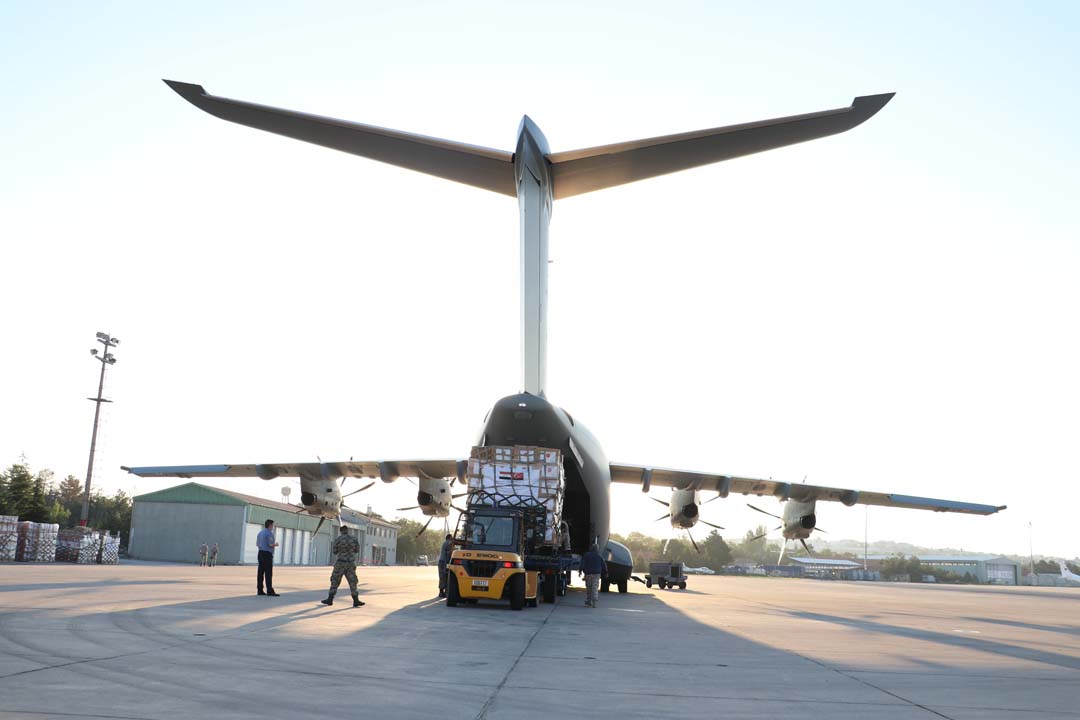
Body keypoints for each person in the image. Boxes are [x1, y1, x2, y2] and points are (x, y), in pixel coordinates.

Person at [321, 525, 364, 607]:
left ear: (341, 531)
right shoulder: (354, 539)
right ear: (347, 530)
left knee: (335, 581)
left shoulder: (338, 539)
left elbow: (334, 551)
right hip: (350, 563)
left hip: (340, 563)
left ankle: (330, 599)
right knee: (353, 582)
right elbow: (357, 550)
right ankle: (356, 600)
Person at [579, 543, 607, 608]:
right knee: (595, 587)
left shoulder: (586, 555)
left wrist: (580, 571)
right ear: (597, 549)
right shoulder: (599, 556)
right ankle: (594, 601)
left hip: (588, 574)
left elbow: (582, 563)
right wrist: (606, 572)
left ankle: (589, 601)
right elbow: (604, 565)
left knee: (589, 588)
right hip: (596, 574)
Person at [256, 520, 279, 596]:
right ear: (270, 525)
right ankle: (269, 590)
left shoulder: (260, 533)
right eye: (272, 525)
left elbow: (257, 544)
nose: (273, 527)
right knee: (268, 573)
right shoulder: (269, 534)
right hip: (267, 555)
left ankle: (260, 590)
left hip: (260, 553)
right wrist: (275, 544)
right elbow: (270, 544)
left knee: (260, 573)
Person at [438, 533, 454, 598]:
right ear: (449, 538)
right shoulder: (447, 543)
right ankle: (441, 592)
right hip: (443, 563)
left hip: (443, 562)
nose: (451, 540)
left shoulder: (445, 543)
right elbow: (450, 550)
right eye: (451, 538)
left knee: (444, 577)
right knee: (442, 577)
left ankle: (443, 591)